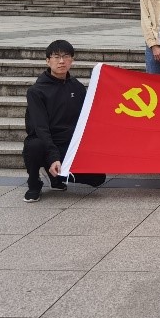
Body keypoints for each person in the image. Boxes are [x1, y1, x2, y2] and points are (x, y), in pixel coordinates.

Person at [22, 40, 106, 201]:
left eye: (66, 56)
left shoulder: (77, 87)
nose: (61, 61)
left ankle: (55, 177)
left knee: (98, 178)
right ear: (48, 61)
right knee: (34, 146)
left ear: (72, 60)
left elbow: (86, 119)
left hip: (68, 144)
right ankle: (34, 183)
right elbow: (40, 127)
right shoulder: (36, 91)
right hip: (45, 142)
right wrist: (53, 157)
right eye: (56, 57)